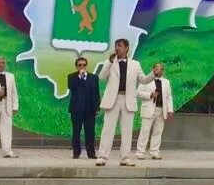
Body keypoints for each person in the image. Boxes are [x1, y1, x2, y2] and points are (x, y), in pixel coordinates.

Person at [96, 38, 147, 167]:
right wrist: (109, 62)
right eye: (116, 46)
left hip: (128, 100)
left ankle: (125, 157)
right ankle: (102, 156)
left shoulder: (135, 64)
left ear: (126, 48)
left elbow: (144, 80)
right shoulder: (110, 63)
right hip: (113, 99)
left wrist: (154, 74)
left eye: (119, 46)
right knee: (108, 129)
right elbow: (102, 77)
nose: (117, 48)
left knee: (127, 130)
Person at [136, 62, 173, 160]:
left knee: (158, 131)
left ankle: (154, 151)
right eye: (157, 69)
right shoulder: (146, 80)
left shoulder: (166, 82)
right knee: (145, 131)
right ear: (153, 69)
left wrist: (170, 109)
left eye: (161, 69)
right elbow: (138, 93)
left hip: (161, 110)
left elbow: (169, 96)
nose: (159, 71)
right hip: (148, 109)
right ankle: (140, 152)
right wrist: (150, 95)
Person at [66, 56, 100, 160]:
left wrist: (97, 107)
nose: (82, 67)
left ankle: (91, 153)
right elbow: (72, 87)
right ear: (76, 66)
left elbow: (96, 93)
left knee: (90, 132)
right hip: (76, 109)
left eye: (84, 65)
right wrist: (79, 77)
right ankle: (76, 152)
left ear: (86, 65)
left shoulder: (93, 77)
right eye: (80, 65)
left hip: (89, 110)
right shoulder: (72, 77)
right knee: (76, 131)